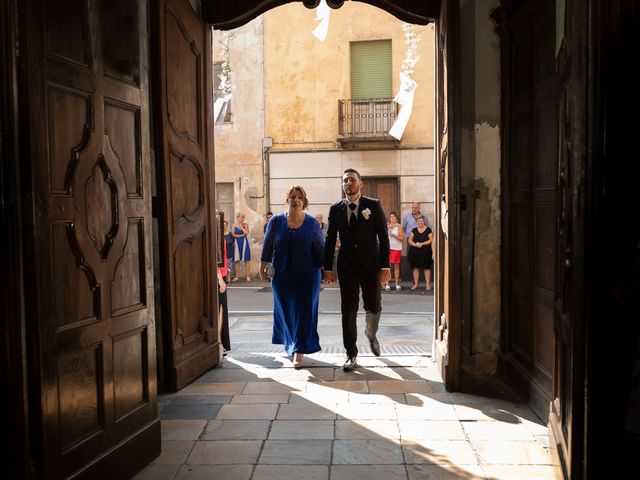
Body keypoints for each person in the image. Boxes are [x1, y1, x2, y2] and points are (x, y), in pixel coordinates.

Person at [324, 168, 390, 372]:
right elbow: (329, 239)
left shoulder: (373, 205)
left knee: (374, 306)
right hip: (347, 267)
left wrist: (385, 266)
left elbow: (383, 236)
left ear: (360, 184)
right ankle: (351, 353)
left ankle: (371, 334)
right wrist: (327, 267)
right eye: (345, 181)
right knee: (348, 310)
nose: (348, 184)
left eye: (352, 180)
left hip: (370, 265)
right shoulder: (335, 209)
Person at [260, 185, 324, 369]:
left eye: (299, 197)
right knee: (285, 310)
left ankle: (299, 350)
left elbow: (320, 248)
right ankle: (291, 343)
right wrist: (263, 264)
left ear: (304, 201)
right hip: (282, 274)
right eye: (292, 197)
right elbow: (268, 243)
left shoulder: (312, 223)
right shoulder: (276, 221)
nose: (296, 200)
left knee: (304, 312)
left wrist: (326, 270)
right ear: (287, 200)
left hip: (307, 274)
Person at [408, 215, 434, 290]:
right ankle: (416, 284)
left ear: (424, 222)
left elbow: (431, 240)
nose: (420, 222)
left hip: (426, 251)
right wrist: (415, 245)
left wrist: (422, 244)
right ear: (417, 222)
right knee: (415, 268)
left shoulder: (428, 229)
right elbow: (410, 240)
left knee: (426, 267)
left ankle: (428, 285)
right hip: (415, 251)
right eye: (418, 221)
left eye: (421, 221)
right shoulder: (414, 230)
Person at [384, 211, 405, 291]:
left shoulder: (399, 226)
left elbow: (402, 239)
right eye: (390, 217)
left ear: (396, 218)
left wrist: (394, 235)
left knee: (396, 265)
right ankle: (387, 284)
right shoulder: (387, 225)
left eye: (393, 217)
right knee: (387, 266)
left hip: (396, 248)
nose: (391, 218)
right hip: (388, 248)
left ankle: (397, 284)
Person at [217, 241, 231, 356]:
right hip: (219, 276)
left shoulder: (218, 234)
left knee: (221, 309)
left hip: (222, 274)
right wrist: (220, 279)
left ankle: (220, 343)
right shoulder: (215, 236)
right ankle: (219, 343)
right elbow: (215, 258)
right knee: (220, 310)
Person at [232, 212, 251, 281]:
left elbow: (246, 233)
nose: (243, 218)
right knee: (237, 260)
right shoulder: (234, 225)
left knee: (247, 259)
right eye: (241, 217)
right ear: (237, 217)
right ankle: (237, 276)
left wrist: (241, 228)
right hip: (237, 243)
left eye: (243, 217)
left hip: (244, 242)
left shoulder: (245, 225)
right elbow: (233, 235)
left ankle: (248, 276)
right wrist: (241, 235)